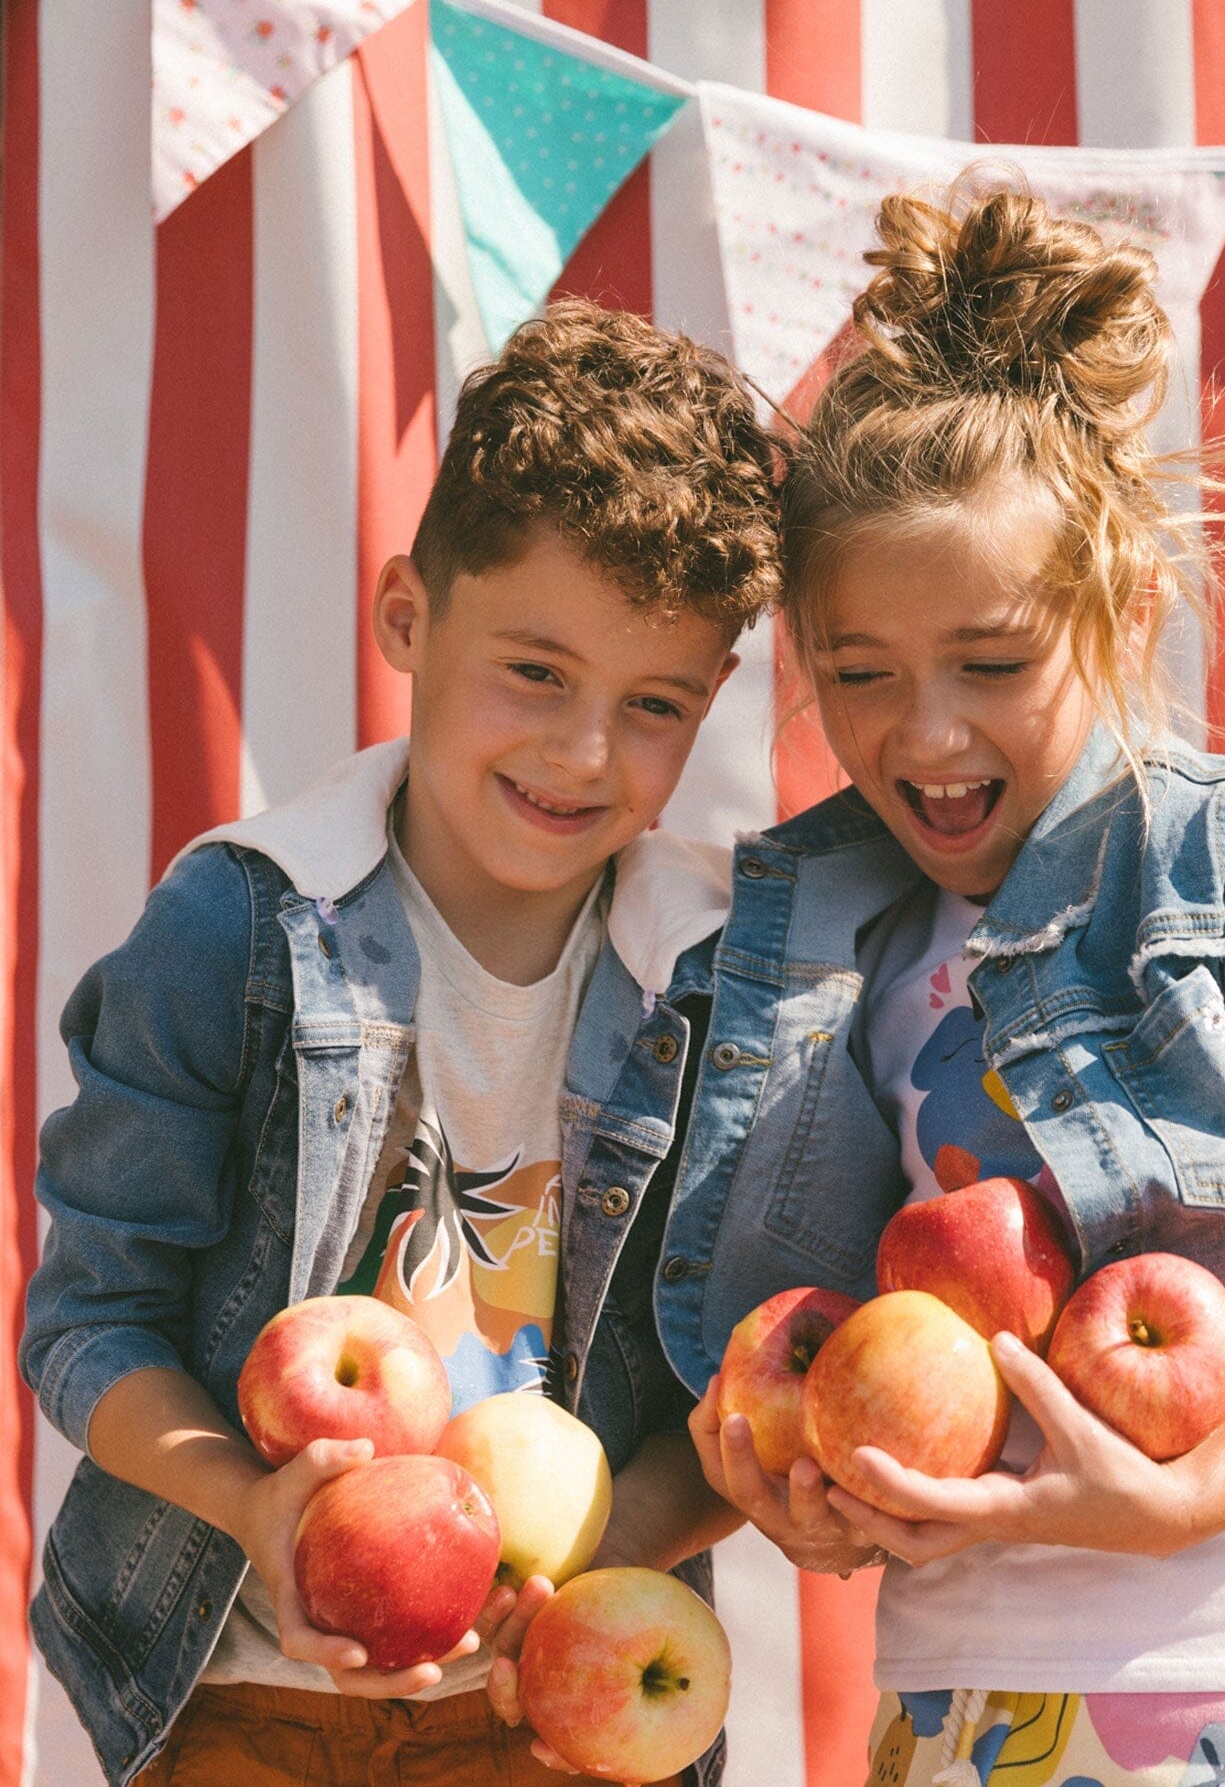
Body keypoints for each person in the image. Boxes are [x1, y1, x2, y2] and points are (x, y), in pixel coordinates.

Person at [684, 185, 1225, 1785]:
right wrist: (788, 1471)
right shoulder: (831, 940)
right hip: (945, 1705)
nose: (926, 735)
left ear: (1130, 611)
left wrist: (1185, 1498)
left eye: (995, 661)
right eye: (861, 675)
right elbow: (817, 1340)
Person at [20, 299, 782, 1787]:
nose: (581, 754)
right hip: (233, 1697)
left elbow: (739, 1389)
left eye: (653, 707)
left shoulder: (716, 977)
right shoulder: (237, 928)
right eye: (538, 673)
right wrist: (259, 1512)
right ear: (406, 617)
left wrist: (599, 1558)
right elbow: (88, 1320)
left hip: (559, 1722)